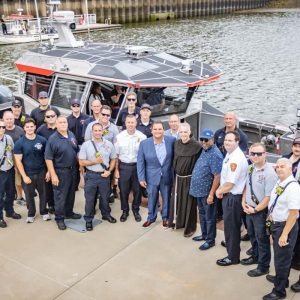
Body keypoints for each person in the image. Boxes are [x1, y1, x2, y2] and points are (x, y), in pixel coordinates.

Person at [262, 158, 300, 300]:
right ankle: (282, 279)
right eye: (277, 166)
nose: (279, 169)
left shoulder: (293, 187)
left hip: (285, 227)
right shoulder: (280, 182)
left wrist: (284, 234)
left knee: (281, 260)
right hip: (276, 224)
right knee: (280, 257)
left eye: (282, 166)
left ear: (291, 169)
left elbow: (294, 213)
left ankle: (279, 291)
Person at [241, 143, 277, 277]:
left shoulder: (270, 173)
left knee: (262, 240)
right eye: (252, 153)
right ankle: (255, 256)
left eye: (259, 154)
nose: (255, 156)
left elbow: (268, 197)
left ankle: (263, 266)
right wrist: (243, 202)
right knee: (252, 236)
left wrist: (255, 210)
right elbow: (246, 187)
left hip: (260, 212)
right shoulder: (250, 168)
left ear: (265, 155)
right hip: (249, 209)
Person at [215, 131, 248, 266]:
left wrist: (218, 191)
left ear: (237, 142)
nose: (227, 142)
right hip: (230, 195)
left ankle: (232, 257)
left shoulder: (236, 159)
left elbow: (230, 184)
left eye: (230, 140)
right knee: (231, 226)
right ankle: (232, 245)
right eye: (226, 140)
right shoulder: (230, 153)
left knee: (231, 227)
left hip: (232, 197)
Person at [45, 116, 81, 230]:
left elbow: (75, 150)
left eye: (64, 122)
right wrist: (53, 174)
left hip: (73, 170)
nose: (63, 124)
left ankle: (69, 213)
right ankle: (59, 218)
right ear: (56, 124)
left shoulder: (71, 134)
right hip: (60, 171)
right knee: (60, 197)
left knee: (71, 194)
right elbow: (48, 159)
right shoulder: (53, 139)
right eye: (60, 122)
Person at [79, 123, 117, 230]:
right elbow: (81, 162)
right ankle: (88, 219)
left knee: (105, 198)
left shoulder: (109, 144)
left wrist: (109, 171)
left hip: (104, 175)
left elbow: (113, 159)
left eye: (99, 130)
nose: (97, 132)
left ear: (102, 131)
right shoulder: (86, 145)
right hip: (91, 176)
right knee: (90, 199)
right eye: (95, 130)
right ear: (92, 132)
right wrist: (94, 162)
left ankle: (106, 215)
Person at [190, 128, 223, 250]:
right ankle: (204, 235)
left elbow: (217, 176)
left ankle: (210, 240)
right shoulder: (205, 150)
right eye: (202, 139)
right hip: (199, 191)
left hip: (207, 193)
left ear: (213, 140)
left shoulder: (215, 154)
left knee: (210, 218)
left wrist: (211, 194)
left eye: (206, 140)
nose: (204, 142)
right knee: (202, 214)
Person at [137, 121, 176, 227]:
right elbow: (140, 162)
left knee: (166, 197)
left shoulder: (171, 141)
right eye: (155, 129)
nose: (157, 131)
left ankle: (166, 217)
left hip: (167, 175)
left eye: (160, 129)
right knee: (152, 198)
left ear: (164, 130)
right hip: (151, 177)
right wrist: (141, 178)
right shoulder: (144, 144)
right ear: (151, 130)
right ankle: (151, 217)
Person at [14, 119, 50, 223]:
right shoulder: (19, 143)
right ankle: (31, 214)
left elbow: (47, 157)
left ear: (35, 127)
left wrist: (48, 171)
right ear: (24, 128)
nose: (29, 128)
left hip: (41, 172)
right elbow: (18, 161)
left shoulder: (42, 140)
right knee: (29, 195)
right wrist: (24, 176)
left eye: (31, 126)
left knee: (43, 193)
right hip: (28, 173)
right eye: (27, 127)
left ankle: (44, 212)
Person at [168, 123, 201, 236]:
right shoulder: (176, 144)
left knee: (190, 204)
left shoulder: (197, 146)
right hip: (178, 178)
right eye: (181, 132)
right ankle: (177, 222)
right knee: (177, 201)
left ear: (189, 132)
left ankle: (190, 227)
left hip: (189, 179)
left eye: (185, 132)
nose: (183, 134)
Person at [114, 115, 146, 222]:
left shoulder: (142, 137)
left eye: (133, 122)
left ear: (136, 123)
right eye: (128, 122)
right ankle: (125, 210)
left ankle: (136, 210)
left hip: (137, 166)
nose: (131, 124)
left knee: (137, 190)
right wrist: (117, 170)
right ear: (125, 123)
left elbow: (144, 155)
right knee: (123, 190)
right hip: (124, 166)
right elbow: (116, 155)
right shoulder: (119, 137)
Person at [0, 119, 21, 228]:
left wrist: (16, 167)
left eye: (3, 127)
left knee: (11, 192)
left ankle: (10, 211)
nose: (2, 129)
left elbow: (13, 153)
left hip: (10, 170)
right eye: (0, 127)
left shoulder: (8, 138)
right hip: (0, 172)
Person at [283, 137, 300, 271]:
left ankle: (296, 261)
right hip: (283, 200)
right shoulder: (284, 159)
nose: (297, 148)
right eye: (295, 145)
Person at [36, 109, 57, 214]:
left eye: (52, 116)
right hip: (46, 162)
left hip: (60, 162)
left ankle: (60, 204)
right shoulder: (40, 130)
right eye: (48, 117)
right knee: (48, 186)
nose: (50, 118)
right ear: (45, 118)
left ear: (56, 116)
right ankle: (51, 205)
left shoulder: (62, 127)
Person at [3, 110, 25, 205]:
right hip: (6, 161)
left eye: (11, 118)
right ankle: (11, 198)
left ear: (14, 119)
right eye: (7, 119)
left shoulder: (20, 129)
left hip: (20, 159)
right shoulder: (2, 130)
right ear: (3, 120)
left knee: (19, 180)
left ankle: (20, 197)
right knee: (9, 182)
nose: (9, 121)